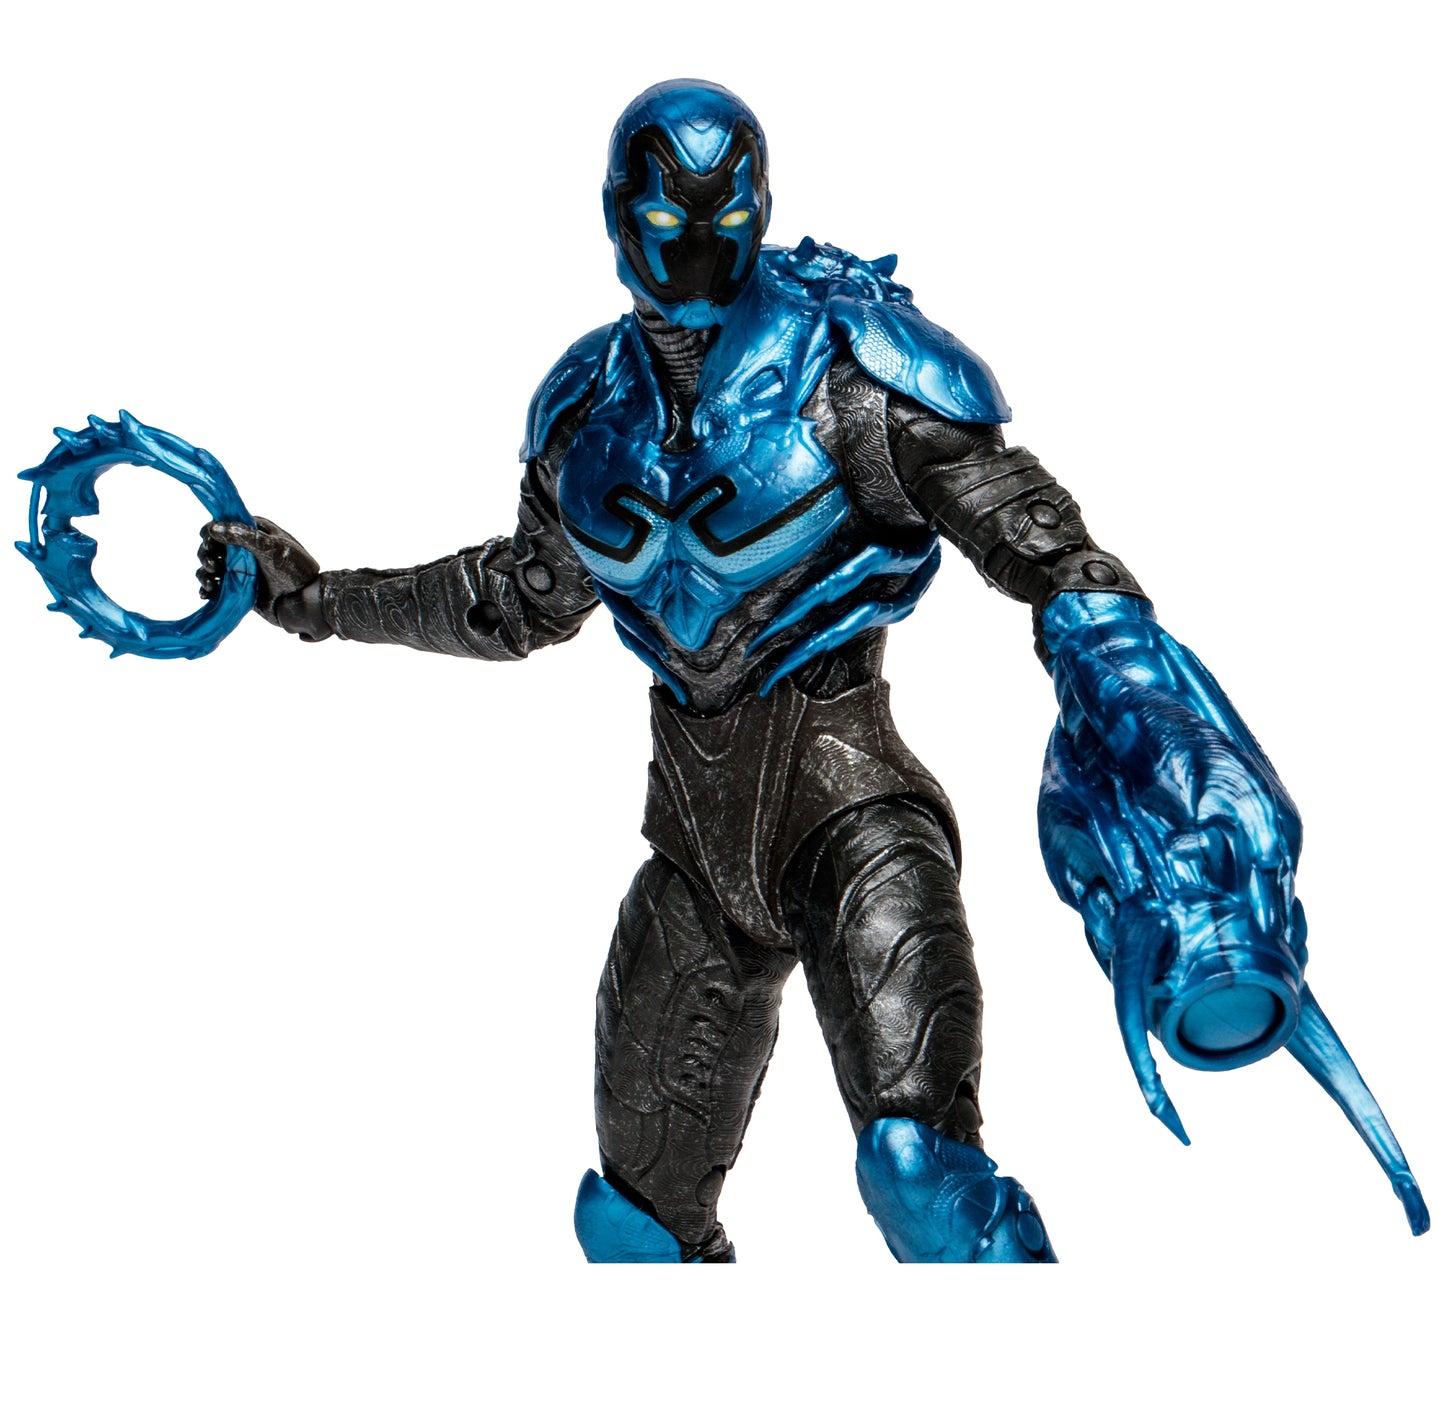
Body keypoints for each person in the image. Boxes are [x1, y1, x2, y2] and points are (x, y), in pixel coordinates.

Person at [199, 78, 1426, 1262]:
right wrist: (311, 600)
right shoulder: (584, 415)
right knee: (632, 1226)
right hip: (693, 842)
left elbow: (1039, 538)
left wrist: (1116, 662)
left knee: (919, 1173)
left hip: (853, 818)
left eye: (722, 210)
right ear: (615, 213)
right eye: (664, 210)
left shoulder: (854, 371)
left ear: (762, 206)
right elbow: (514, 597)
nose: (693, 242)